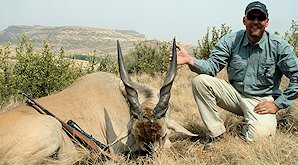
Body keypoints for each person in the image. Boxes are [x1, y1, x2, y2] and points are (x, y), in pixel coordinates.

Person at [171, 1, 298, 144]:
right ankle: (217, 134)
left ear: (267, 22)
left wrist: (278, 104)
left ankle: (247, 127)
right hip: (234, 95)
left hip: (261, 101)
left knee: (260, 139)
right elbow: (211, 67)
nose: (256, 22)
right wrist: (189, 60)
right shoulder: (231, 40)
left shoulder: (279, 46)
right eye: (251, 17)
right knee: (200, 81)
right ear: (244, 20)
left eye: (260, 18)